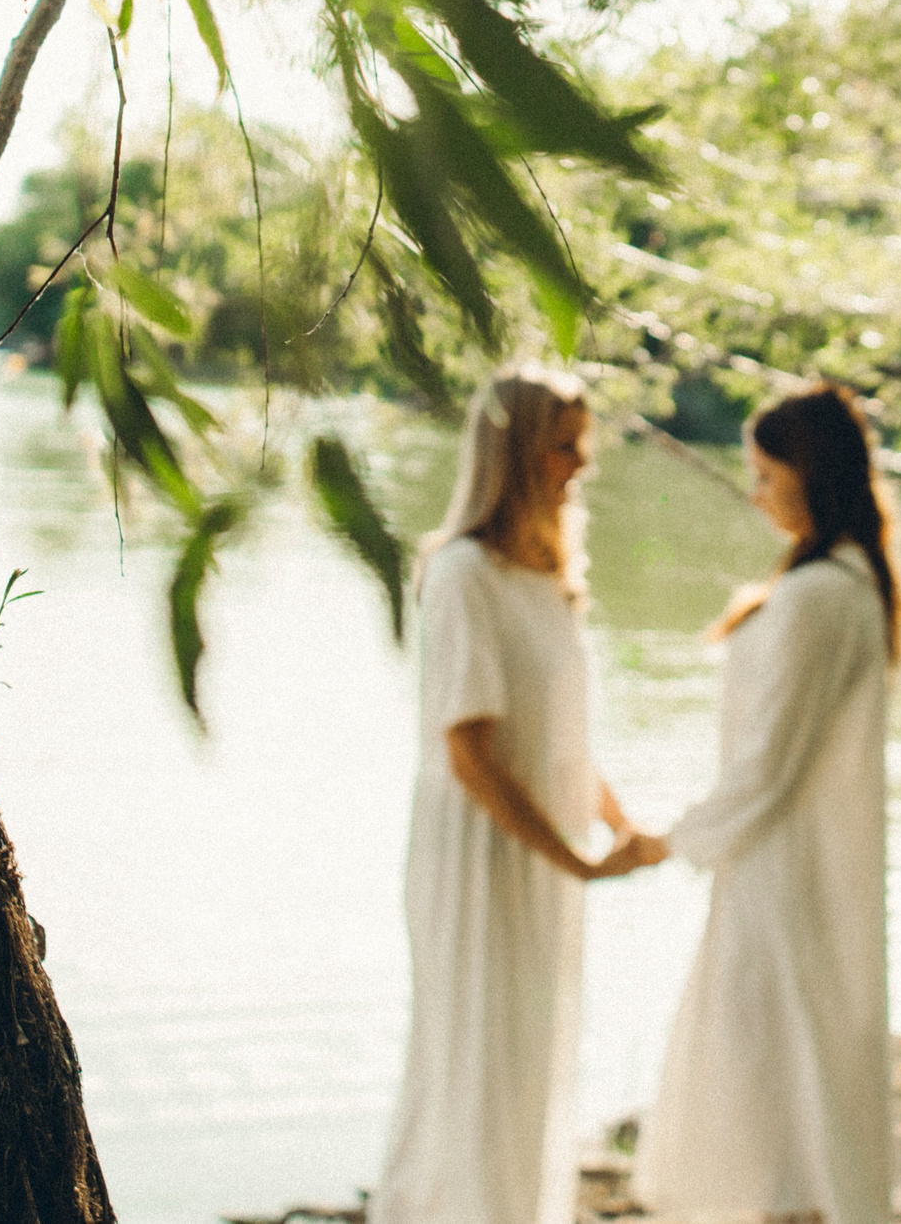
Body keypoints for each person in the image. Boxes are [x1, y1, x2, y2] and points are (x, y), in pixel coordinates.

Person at [374, 366, 667, 1224]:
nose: (582, 463)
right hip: (481, 856)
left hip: (542, 853)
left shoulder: (551, 577)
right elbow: (470, 753)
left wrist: (619, 823)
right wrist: (575, 858)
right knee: (474, 1063)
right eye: (563, 445)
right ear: (514, 452)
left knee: (532, 1062)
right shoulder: (463, 572)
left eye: (582, 444)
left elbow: (562, 740)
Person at [636, 384, 901, 1224]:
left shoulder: (821, 595)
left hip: (782, 878)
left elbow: (767, 768)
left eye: (764, 475)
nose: (754, 494)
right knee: (786, 1089)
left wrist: (666, 841)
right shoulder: (839, 582)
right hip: (789, 870)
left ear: (809, 474)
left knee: (769, 1096)